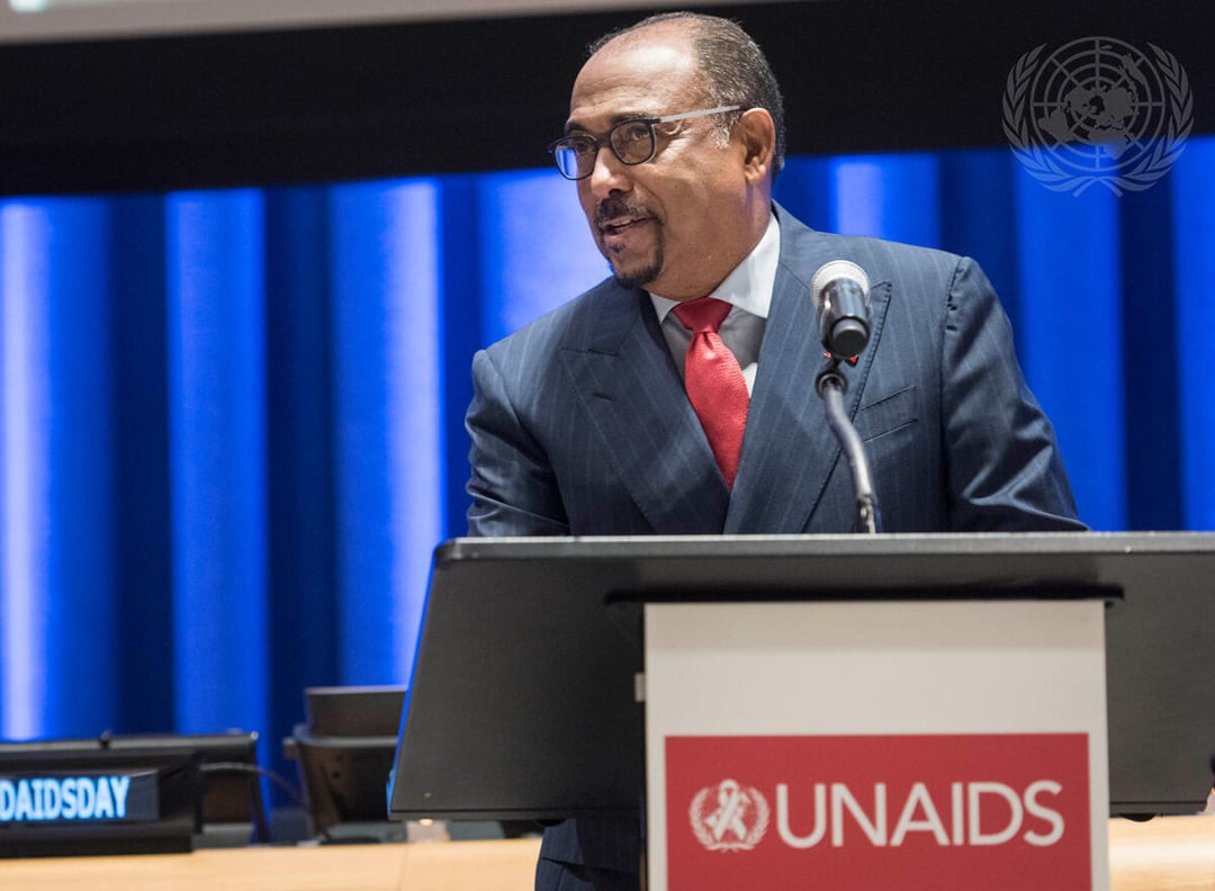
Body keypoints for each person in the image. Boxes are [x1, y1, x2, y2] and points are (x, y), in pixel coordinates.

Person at [464, 11, 1084, 890]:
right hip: (636, 861)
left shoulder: (926, 303)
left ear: (751, 146)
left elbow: (1038, 582)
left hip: (901, 830)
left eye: (634, 138)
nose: (601, 179)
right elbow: (516, 672)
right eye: (581, 149)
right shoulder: (526, 377)